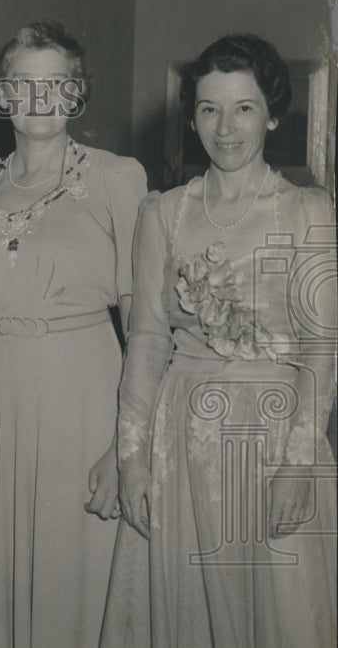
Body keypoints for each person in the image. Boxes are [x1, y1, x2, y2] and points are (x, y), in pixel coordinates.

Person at [102, 34, 337, 646]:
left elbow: (321, 348)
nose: (224, 128)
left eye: (243, 107)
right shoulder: (164, 213)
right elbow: (149, 342)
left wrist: (299, 464)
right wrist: (131, 459)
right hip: (180, 443)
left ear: (274, 113)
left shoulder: (309, 212)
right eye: (209, 108)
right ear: (192, 116)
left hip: (274, 441)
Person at [0, 21, 147, 647]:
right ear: (1, 94)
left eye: (57, 84)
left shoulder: (116, 178)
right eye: (23, 82)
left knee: (72, 582)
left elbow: (143, 324)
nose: (40, 98)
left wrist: (129, 446)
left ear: (78, 95)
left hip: (81, 404)